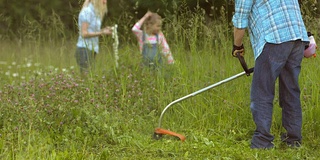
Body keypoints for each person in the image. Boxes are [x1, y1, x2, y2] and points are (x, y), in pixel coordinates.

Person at [232, 0, 309, 149]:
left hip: (274, 37)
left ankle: (262, 141)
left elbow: (241, 19)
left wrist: (237, 45)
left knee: (262, 91)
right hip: (298, 36)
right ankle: (293, 140)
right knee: (291, 90)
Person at [75, 0, 112, 76]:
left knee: (90, 77)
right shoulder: (87, 12)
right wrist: (102, 33)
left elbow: (92, 31)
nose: (105, 2)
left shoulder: (95, 13)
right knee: (87, 78)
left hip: (91, 49)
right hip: (84, 49)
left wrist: (104, 30)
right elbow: (84, 33)